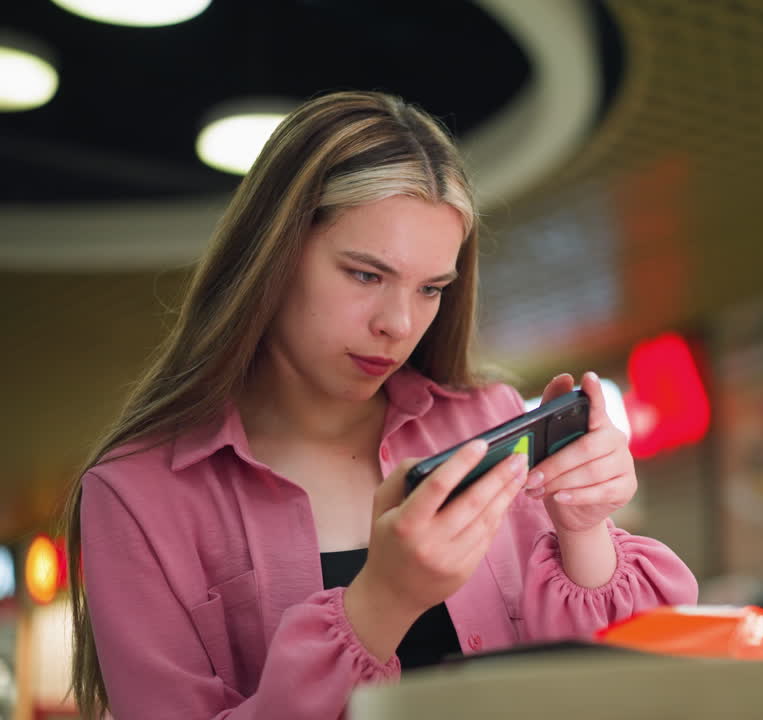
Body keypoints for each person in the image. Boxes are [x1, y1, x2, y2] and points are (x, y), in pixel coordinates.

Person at [61, 90, 698, 719]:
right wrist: (381, 604)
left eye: (431, 289)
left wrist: (584, 529)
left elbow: (631, 683)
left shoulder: (485, 419)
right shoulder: (137, 495)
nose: (398, 323)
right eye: (366, 275)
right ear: (273, 254)